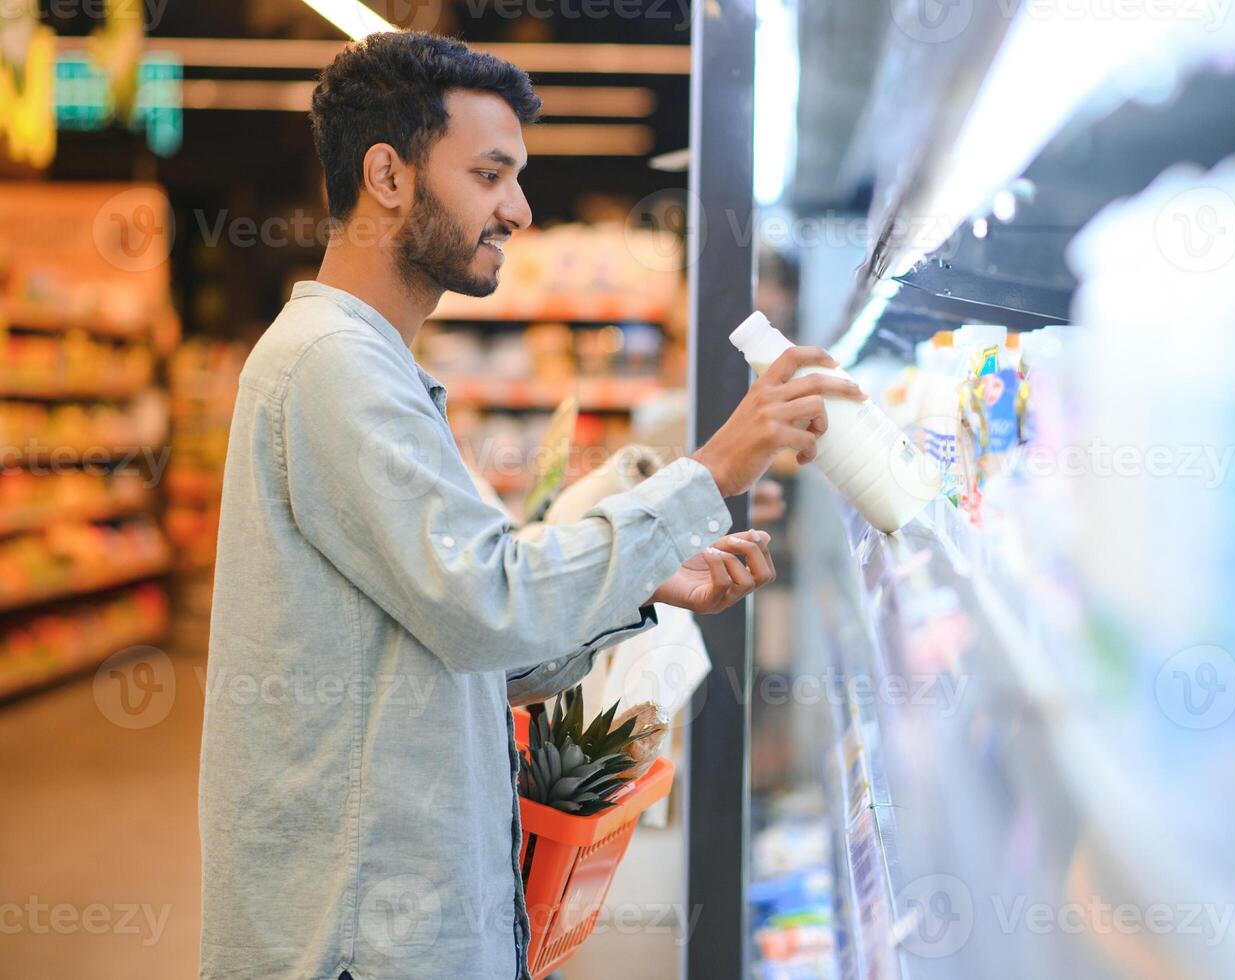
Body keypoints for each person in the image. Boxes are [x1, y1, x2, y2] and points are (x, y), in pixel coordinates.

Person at [196, 31, 863, 980]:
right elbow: (489, 601)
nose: (518, 207)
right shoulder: (332, 367)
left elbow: (473, 635)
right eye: (489, 173)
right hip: (355, 940)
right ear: (387, 174)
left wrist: (648, 584)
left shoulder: (373, 366)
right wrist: (711, 469)